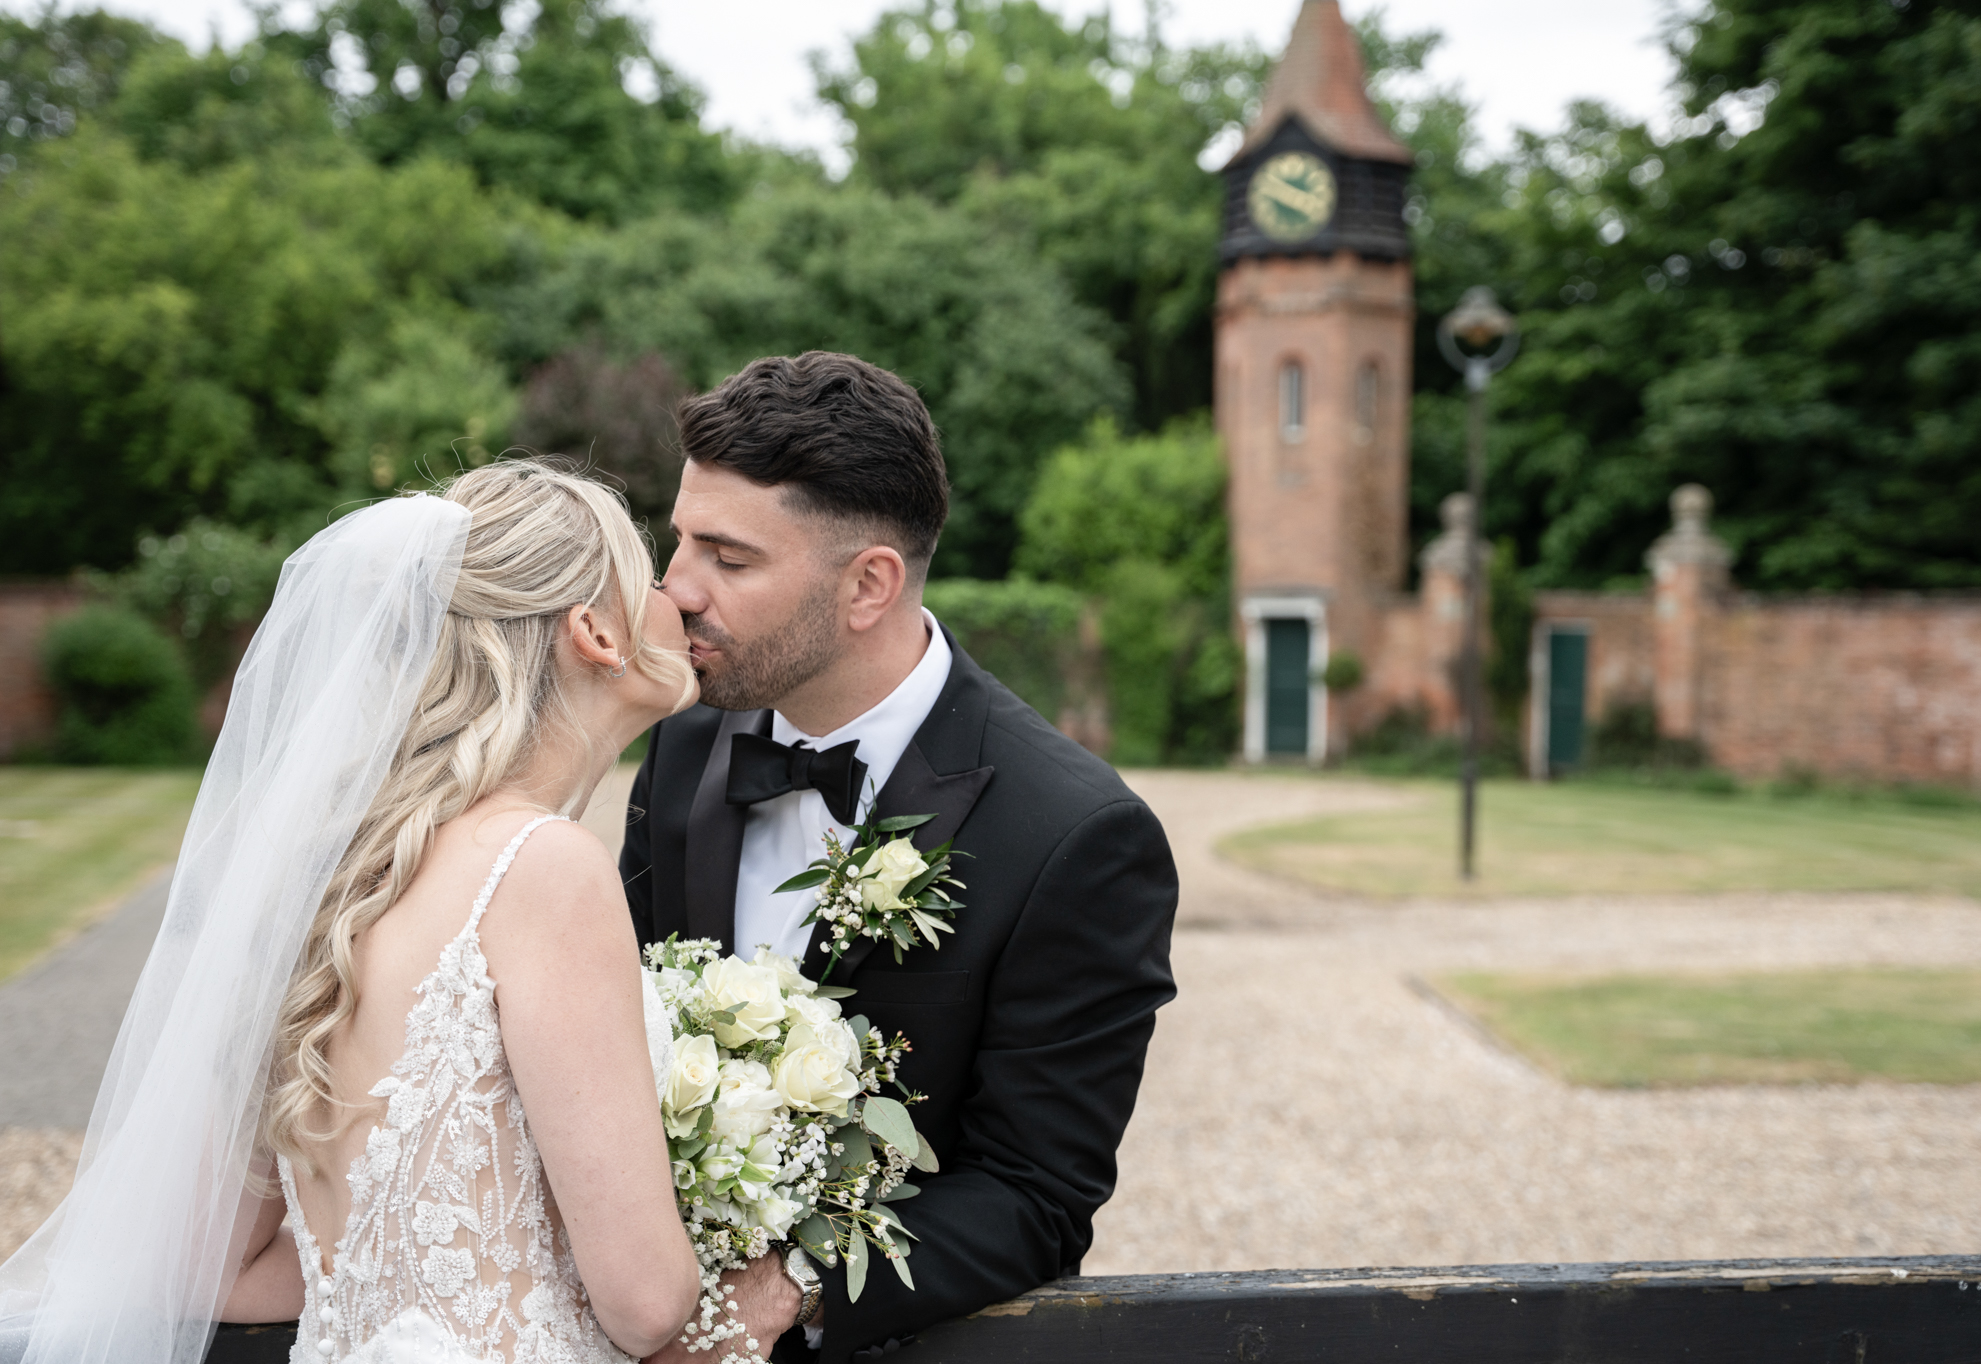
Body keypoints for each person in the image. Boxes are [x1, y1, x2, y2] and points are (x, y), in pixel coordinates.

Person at [0, 460, 704, 1364]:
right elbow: (646, 1305)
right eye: (652, 578)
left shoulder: (342, 877)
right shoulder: (545, 868)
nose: (680, 597)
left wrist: (410, 1280)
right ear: (596, 633)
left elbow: (205, 1273)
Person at [620, 351, 1180, 1364]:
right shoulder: (685, 743)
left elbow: (1033, 1195)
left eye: (728, 558)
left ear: (868, 585)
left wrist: (784, 1289)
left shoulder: (1077, 835)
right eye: (680, 541)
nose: (675, 590)